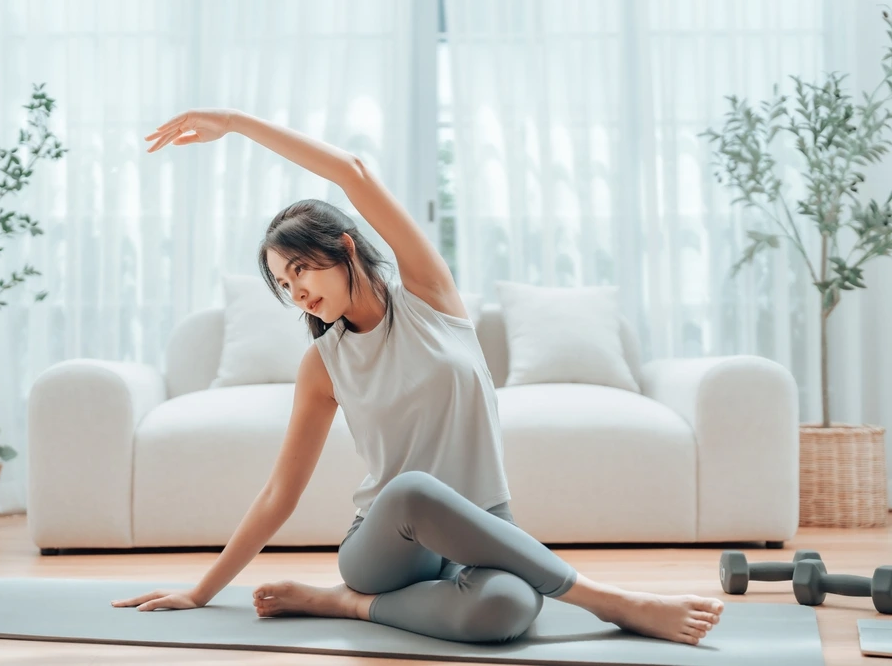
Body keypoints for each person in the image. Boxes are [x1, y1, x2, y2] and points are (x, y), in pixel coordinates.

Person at [112, 108, 724, 645]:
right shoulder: (323, 364)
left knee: (507, 610)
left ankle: (347, 605)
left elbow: (352, 172)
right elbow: (280, 493)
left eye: (301, 269)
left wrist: (235, 123)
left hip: (484, 523)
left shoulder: (430, 297)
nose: (295, 291)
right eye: (282, 282)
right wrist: (201, 590)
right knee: (411, 490)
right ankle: (615, 603)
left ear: (345, 247)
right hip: (389, 546)